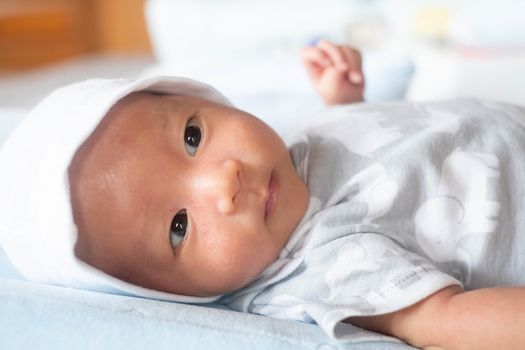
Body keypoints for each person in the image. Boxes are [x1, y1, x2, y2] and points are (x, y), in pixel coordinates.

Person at [1, 40, 525, 349]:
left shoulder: (285, 155)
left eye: (191, 137)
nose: (223, 183)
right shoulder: (324, 265)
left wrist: (346, 105)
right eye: (178, 227)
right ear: (175, 295)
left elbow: (376, 166)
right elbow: (447, 319)